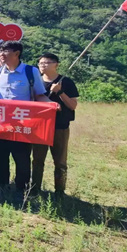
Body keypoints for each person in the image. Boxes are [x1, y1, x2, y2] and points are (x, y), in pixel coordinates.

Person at [0, 41, 56, 192]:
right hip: (0, 123)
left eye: (5, 51)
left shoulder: (30, 71)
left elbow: (40, 95)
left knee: (21, 158)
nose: (1, 54)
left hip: (22, 124)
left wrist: (51, 104)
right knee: (0, 156)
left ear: (17, 54)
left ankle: (20, 189)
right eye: (0, 51)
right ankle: (2, 185)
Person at [31, 53, 79, 197]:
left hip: (60, 126)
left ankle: (59, 191)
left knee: (60, 161)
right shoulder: (35, 82)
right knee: (37, 160)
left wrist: (60, 92)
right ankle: (35, 189)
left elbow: (73, 105)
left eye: (46, 63)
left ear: (56, 64)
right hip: (39, 127)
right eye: (40, 63)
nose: (42, 65)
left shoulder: (66, 82)